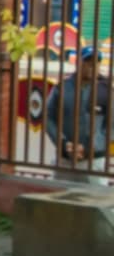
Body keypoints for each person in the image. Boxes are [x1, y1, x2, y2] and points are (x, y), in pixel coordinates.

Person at [46, 46, 111, 185]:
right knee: (59, 200)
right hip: (64, 160)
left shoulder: (106, 90)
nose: (92, 66)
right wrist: (63, 143)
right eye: (87, 61)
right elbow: (48, 117)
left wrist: (90, 147)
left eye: (96, 62)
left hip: (94, 162)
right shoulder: (62, 87)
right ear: (79, 63)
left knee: (95, 202)